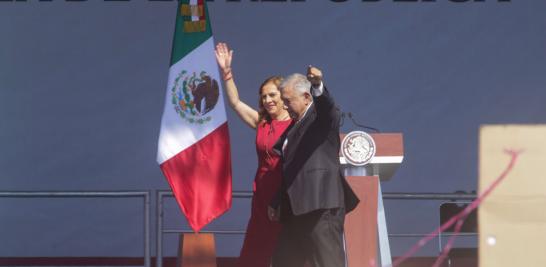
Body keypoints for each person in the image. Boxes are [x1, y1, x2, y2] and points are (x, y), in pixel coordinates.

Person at [269, 67, 360, 267]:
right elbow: (291, 168)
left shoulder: (320, 119)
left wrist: (318, 85)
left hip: (320, 205)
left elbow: (328, 108)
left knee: (327, 263)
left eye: (288, 101)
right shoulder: (294, 126)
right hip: (295, 211)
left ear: (306, 98)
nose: (285, 107)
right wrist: (277, 201)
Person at [214, 42, 292, 267]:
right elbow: (236, 103)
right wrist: (227, 73)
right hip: (263, 196)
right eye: (263, 96)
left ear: (284, 96)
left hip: (288, 197)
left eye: (272, 95)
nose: (267, 100)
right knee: (255, 253)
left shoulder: (298, 125)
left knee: (288, 252)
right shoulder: (262, 123)